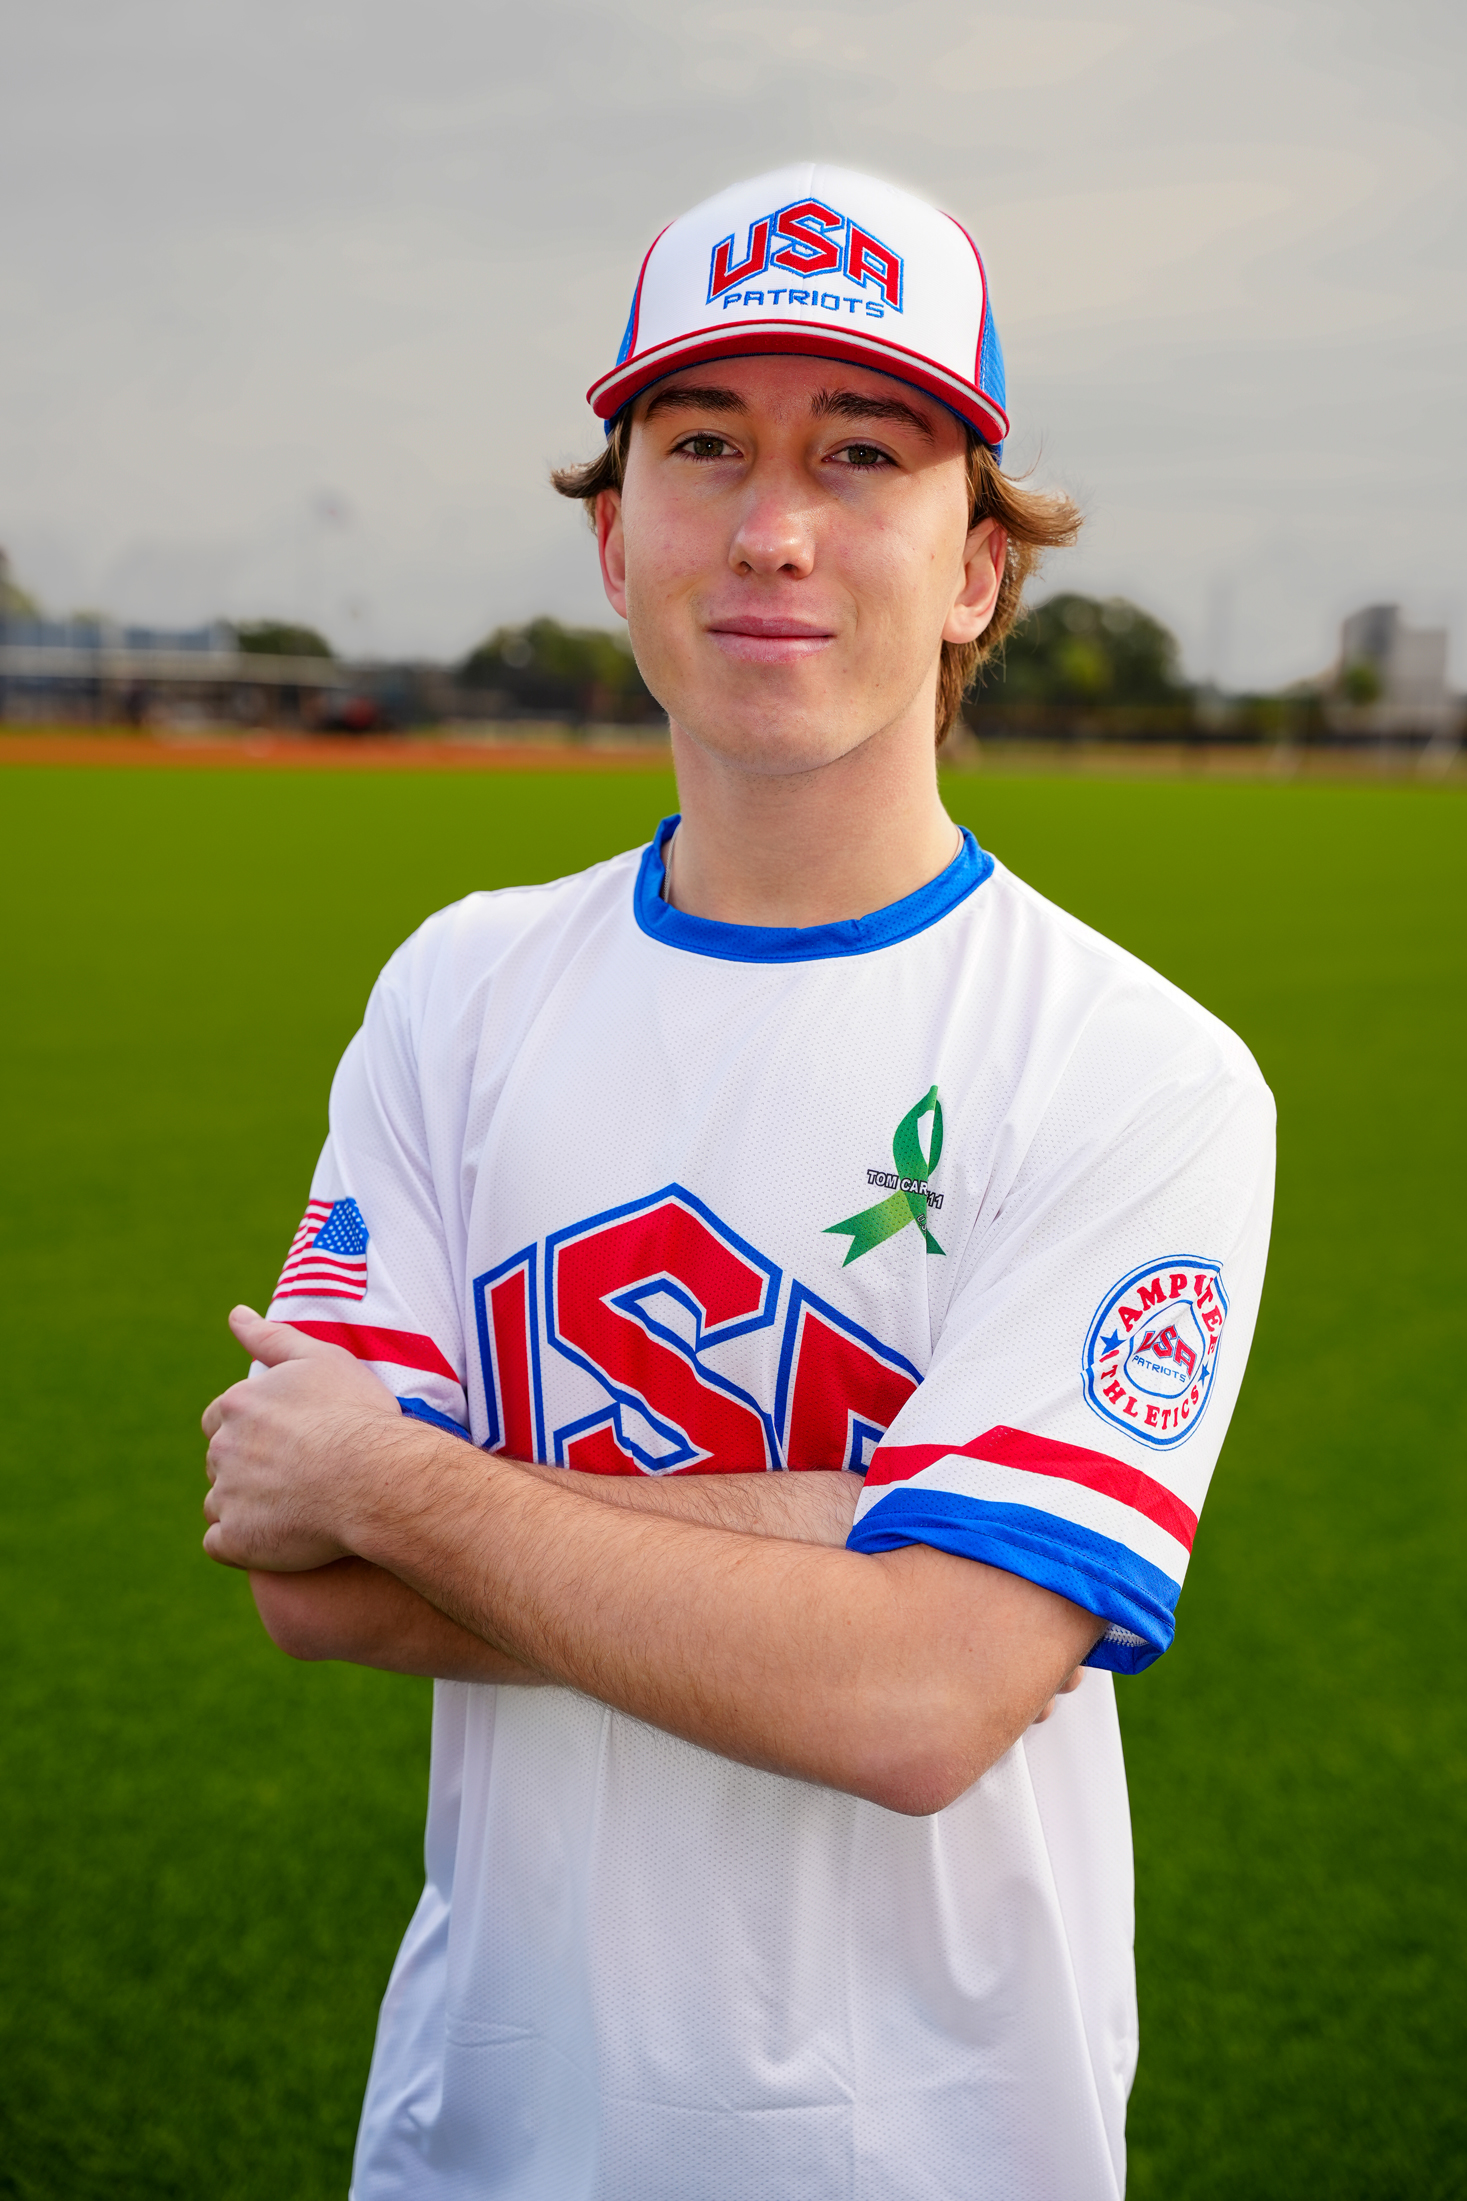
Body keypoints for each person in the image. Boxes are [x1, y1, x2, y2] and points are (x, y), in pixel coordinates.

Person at [202, 164, 1275, 2201]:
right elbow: (309, 1581)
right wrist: (864, 1540)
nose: (772, 527)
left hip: (935, 2150)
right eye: (703, 448)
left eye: (859, 455)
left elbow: (921, 1697)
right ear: (617, 541)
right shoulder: (459, 990)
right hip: (479, 2134)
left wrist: (406, 1481)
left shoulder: (1135, 1067)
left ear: (976, 569)